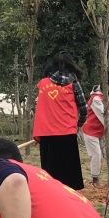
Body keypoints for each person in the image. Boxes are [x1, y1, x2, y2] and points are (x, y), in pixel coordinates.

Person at [32, 51, 87, 190]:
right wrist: (79, 123)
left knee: (50, 174)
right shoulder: (73, 82)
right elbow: (84, 108)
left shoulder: (42, 84)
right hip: (66, 133)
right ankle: (69, 201)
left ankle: (52, 199)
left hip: (46, 134)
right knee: (69, 174)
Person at [81, 71, 109, 188]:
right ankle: (95, 179)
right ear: (106, 84)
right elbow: (103, 116)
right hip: (91, 131)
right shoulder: (96, 99)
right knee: (96, 155)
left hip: (103, 132)